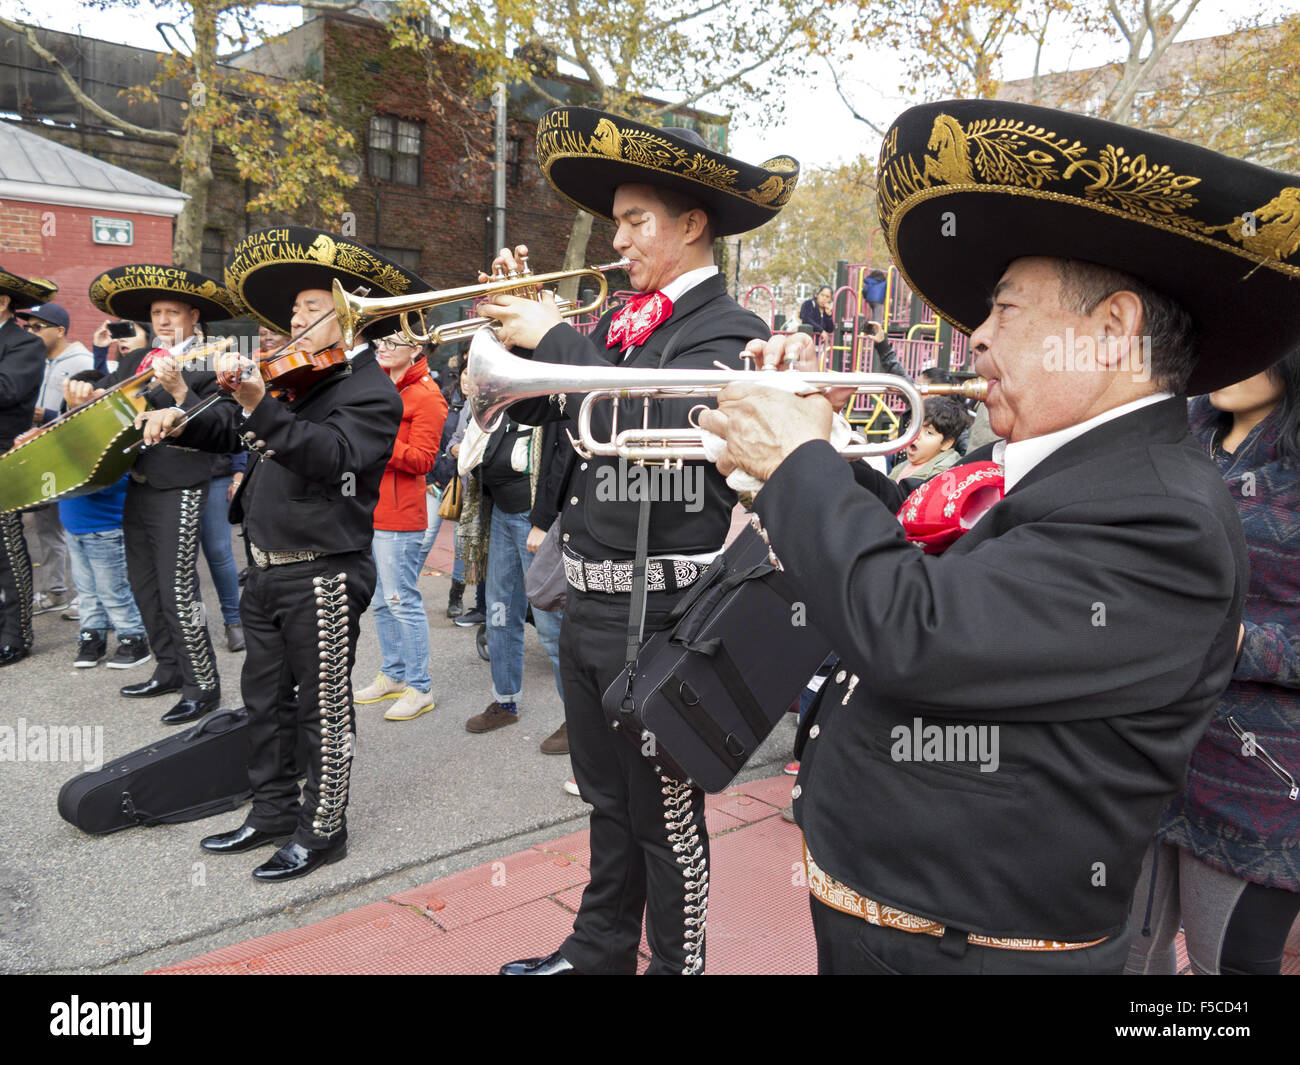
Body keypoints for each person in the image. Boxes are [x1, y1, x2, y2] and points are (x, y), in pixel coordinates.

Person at [693, 98, 1299, 973]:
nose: (976, 337)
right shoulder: (1095, 473)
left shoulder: (1165, 518)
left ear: (1111, 332)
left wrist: (799, 467)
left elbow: (918, 629)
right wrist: (812, 453)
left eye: (1007, 311)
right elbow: (948, 571)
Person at [486, 106, 797, 974]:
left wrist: (554, 338)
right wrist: (519, 329)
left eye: (634, 221)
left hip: (664, 606)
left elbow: (654, 423)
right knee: (603, 797)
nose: (615, 239)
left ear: (693, 224)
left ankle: (677, 964)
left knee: (665, 809)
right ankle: (600, 947)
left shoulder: (727, 330)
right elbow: (569, 415)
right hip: (592, 595)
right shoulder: (625, 328)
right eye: (614, 221)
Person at [136, 226, 413, 881]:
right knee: (266, 703)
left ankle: (323, 828)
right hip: (264, 568)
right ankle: (271, 809)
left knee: (321, 709)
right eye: (293, 313)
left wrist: (260, 400)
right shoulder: (298, 382)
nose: (294, 320)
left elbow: (331, 458)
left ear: (352, 315)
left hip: (322, 570)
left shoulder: (371, 390)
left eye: (311, 308)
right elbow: (235, 429)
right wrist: (179, 409)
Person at [1125, 349, 1300, 975]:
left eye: (1254, 337)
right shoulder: (1175, 429)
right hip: (1140, 742)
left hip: (1259, 776)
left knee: (1223, 973)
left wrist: (1237, 642)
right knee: (1118, 957)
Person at [74, 265, 241, 724]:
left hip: (183, 483)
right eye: (156, 313)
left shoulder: (212, 358)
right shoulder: (135, 361)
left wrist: (179, 390)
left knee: (178, 589)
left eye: (172, 312)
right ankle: (168, 669)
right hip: (139, 482)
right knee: (145, 585)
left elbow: (223, 422)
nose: (163, 320)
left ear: (192, 316)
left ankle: (203, 686)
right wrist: (81, 400)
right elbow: (106, 408)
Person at [353, 331, 448, 722]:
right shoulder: (382, 385)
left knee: (400, 600)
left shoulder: (427, 396)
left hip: (400, 513)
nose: (383, 348)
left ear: (417, 348)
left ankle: (420, 687)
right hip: (372, 508)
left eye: (393, 342)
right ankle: (394, 675)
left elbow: (424, 460)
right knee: (380, 601)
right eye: (382, 342)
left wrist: (376, 439)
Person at [17, 302, 94, 616]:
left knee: (75, 528)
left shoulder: (81, 360)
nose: (31, 333)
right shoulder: (33, 358)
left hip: (68, 454)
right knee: (47, 526)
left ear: (60, 330)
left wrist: (48, 414)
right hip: (38, 452)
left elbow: (90, 413)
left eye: (38, 327)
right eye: (28, 327)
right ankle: (55, 590)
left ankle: (85, 596)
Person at [0, 266, 56, 667]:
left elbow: (8, 390)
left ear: (3, 302)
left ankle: (15, 633)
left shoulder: (24, 344)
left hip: (3, 456)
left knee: (6, 549)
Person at [886, 395, 963, 484]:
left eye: (929, 432)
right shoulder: (902, 466)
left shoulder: (944, 472)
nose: (916, 435)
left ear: (946, 443)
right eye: (914, 427)